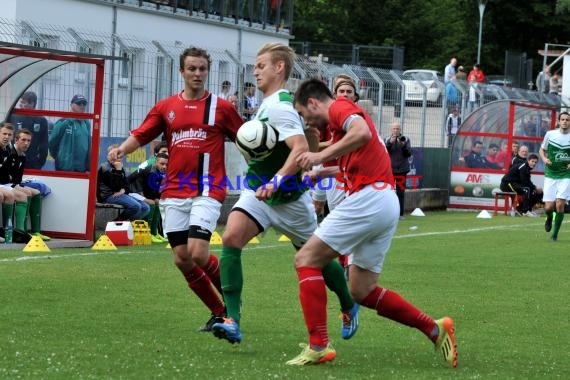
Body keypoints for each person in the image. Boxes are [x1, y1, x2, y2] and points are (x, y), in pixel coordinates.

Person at [289, 78, 457, 367]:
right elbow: (357, 152)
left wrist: (319, 154)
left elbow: (362, 132)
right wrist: (324, 171)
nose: (308, 120)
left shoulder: (341, 107)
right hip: (385, 201)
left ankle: (318, 345)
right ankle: (434, 328)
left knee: (306, 258)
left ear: (314, 103)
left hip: (369, 199)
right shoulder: (340, 127)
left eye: (305, 114)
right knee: (361, 290)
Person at [211, 43, 357, 345]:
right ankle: (232, 320)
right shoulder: (270, 104)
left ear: (279, 68)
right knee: (231, 238)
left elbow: (301, 150)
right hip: (258, 191)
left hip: (288, 197)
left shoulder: (280, 105)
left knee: (317, 259)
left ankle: (348, 302)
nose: (255, 70)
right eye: (255, 65)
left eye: (261, 65)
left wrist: (276, 182)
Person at [108, 47, 244, 332]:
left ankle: (233, 305)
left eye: (202, 69)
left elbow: (246, 139)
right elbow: (142, 133)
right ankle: (218, 311)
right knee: (182, 259)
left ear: (207, 71)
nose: (197, 73)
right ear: (181, 72)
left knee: (197, 252)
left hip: (207, 188)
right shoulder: (166, 106)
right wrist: (121, 150)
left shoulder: (221, 107)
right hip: (173, 191)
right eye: (192, 68)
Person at [7, 129, 51, 240]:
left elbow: (16, 178)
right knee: (25, 193)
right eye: (23, 140)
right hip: (5, 184)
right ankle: (21, 232)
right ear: (16, 140)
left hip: (11, 184)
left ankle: (35, 231)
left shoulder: (22, 155)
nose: (26, 143)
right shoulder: (10, 153)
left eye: (29, 141)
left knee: (36, 192)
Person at [97, 144, 150, 221]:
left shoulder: (119, 167)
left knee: (146, 208)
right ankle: (116, 223)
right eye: (114, 155)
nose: (117, 158)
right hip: (108, 196)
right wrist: (118, 170)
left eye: (119, 156)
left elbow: (126, 185)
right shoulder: (105, 167)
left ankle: (127, 225)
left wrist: (123, 190)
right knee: (136, 206)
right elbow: (116, 187)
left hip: (120, 194)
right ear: (108, 156)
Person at [539, 112, 570, 242]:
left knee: (560, 204)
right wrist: (545, 159)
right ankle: (549, 218)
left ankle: (555, 235)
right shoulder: (550, 134)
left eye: (567, 120)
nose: (565, 121)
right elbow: (542, 149)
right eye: (562, 119)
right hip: (551, 174)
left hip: (565, 175)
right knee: (549, 207)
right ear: (558, 121)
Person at [0, 123, 34, 239]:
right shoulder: (11, 151)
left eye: (9, 134)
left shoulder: (6, 150)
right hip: (4, 184)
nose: (6, 137)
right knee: (7, 195)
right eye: (4, 133)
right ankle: (10, 231)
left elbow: (13, 176)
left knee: (26, 194)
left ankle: (15, 232)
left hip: (4, 183)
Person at [128, 152, 169, 243]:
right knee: (153, 202)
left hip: (142, 193)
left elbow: (156, 190)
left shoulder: (161, 172)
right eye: (162, 164)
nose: (164, 166)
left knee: (158, 202)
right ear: (155, 162)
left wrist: (157, 197)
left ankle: (154, 233)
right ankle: (148, 232)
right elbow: (149, 191)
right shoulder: (151, 171)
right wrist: (154, 198)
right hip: (132, 192)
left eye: (166, 164)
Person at [49, 94, 91, 172]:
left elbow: (89, 146)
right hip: (65, 168)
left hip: (81, 169)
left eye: (84, 104)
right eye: (79, 103)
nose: (82, 106)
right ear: (71, 105)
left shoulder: (86, 123)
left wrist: (88, 166)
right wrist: (60, 157)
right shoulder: (63, 122)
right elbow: (52, 142)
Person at [8, 91, 49, 169]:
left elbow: (44, 145)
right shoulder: (13, 117)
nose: (20, 105)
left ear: (32, 104)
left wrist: (39, 163)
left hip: (32, 164)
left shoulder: (41, 120)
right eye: (21, 102)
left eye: (24, 103)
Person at [385, 122, 412, 219]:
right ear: (391, 130)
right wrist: (390, 143)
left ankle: (400, 214)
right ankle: (389, 213)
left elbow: (408, 154)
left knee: (401, 193)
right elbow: (384, 151)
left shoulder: (405, 139)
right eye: (394, 129)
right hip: (390, 171)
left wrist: (403, 146)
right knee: (389, 192)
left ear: (400, 130)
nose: (395, 131)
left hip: (402, 171)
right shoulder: (386, 139)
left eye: (397, 129)